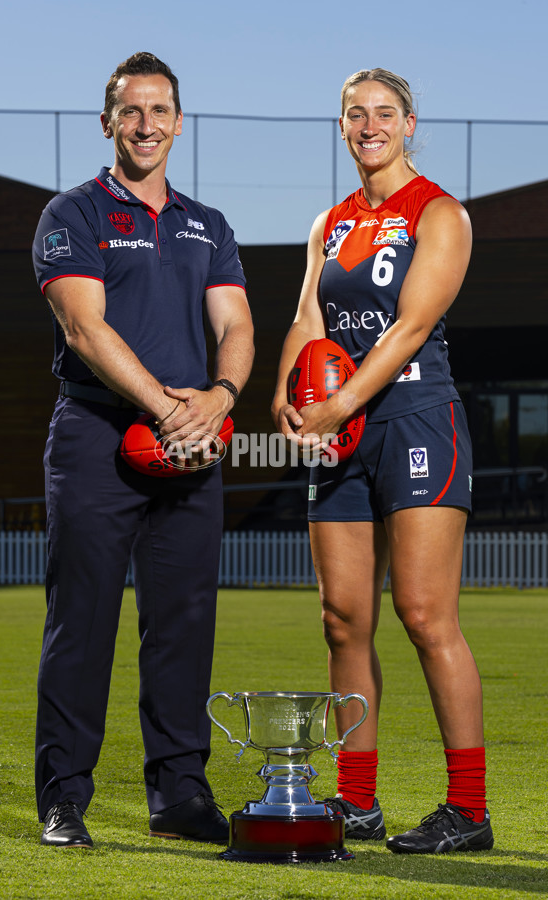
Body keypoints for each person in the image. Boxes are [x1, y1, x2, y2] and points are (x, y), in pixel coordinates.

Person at [32, 51, 254, 848]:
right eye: (132, 111)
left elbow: (235, 326)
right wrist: (165, 406)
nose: (147, 124)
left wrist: (220, 401)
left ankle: (182, 797)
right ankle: (64, 799)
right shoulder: (73, 214)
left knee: (184, 621)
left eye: (161, 111)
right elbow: (85, 328)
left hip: (192, 447)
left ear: (180, 123)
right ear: (108, 122)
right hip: (98, 435)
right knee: (82, 620)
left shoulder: (209, 224)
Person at [272, 68, 493, 854]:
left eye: (384, 114)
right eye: (355, 114)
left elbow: (407, 328)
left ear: (408, 123)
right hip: (338, 434)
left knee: (426, 616)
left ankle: (469, 810)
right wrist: (288, 391)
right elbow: (306, 316)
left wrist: (342, 403)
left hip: (414, 419)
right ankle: (355, 802)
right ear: (342, 126)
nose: (369, 125)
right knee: (342, 621)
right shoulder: (328, 224)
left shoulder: (440, 213)